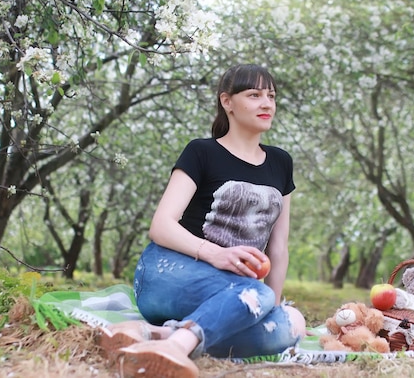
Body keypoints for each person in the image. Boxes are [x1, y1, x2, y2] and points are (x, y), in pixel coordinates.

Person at [97, 64, 307, 378]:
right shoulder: (202, 152)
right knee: (256, 293)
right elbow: (161, 225)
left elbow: (278, 247)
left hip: (231, 291)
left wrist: (270, 307)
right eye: (254, 95)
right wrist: (215, 254)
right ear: (227, 102)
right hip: (166, 273)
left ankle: (156, 336)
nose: (267, 104)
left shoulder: (280, 162)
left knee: (290, 324)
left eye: (271, 96)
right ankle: (175, 349)